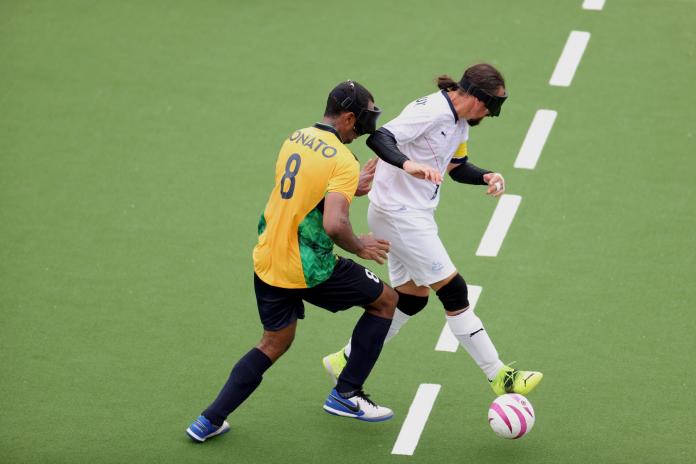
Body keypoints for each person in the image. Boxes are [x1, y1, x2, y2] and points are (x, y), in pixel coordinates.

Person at [186, 81, 398, 443]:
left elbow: (306, 192)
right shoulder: (343, 160)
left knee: (274, 342)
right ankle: (346, 394)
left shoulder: (296, 137)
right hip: (308, 267)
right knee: (385, 301)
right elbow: (334, 223)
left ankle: (209, 420)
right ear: (348, 118)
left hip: (268, 258)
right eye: (363, 120)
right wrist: (359, 245)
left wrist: (349, 189)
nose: (364, 128)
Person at [322, 64, 543, 397]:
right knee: (454, 291)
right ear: (478, 98)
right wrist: (408, 164)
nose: (493, 113)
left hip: (414, 215)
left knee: (411, 299)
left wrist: (485, 175)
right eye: (494, 105)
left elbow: (456, 167)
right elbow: (381, 137)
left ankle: (346, 360)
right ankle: (500, 376)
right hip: (399, 214)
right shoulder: (431, 112)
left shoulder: (460, 123)